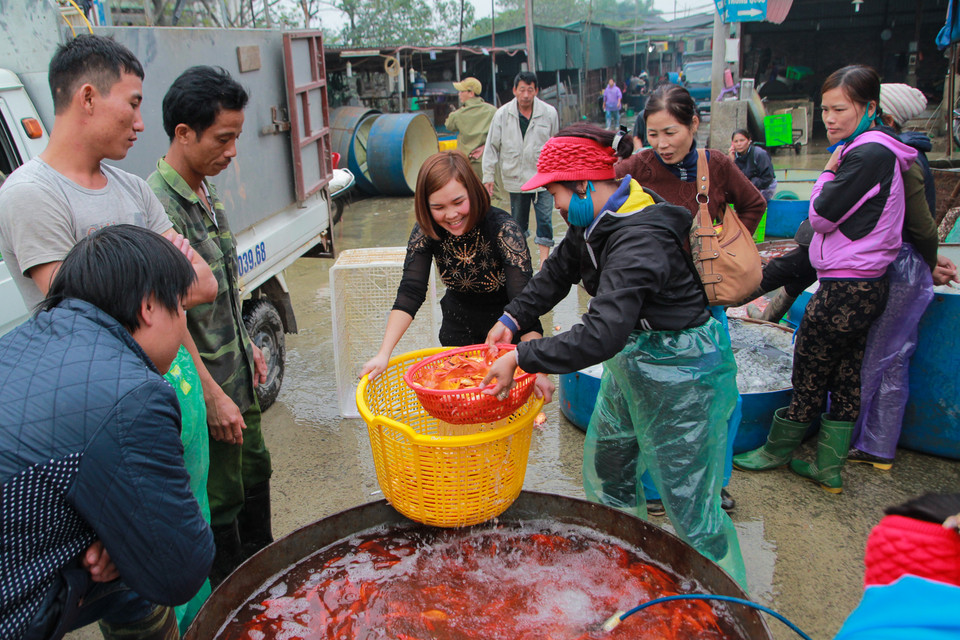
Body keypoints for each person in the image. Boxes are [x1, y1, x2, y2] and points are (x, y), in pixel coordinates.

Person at [0, 34, 218, 631]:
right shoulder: (31, 194)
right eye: (134, 103)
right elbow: (94, 313)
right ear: (89, 97)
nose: (142, 123)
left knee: (182, 520)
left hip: (162, 377)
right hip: (103, 408)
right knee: (139, 575)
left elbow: (200, 283)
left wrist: (207, 384)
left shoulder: (131, 188)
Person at [481, 124, 747, 589]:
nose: (554, 205)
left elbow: (601, 333)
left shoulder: (640, 236)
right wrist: (511, 316)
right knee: (610, 466)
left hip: (680, 371)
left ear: (584, 185)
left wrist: (522, 355)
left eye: (556, 194)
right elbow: (556, 272)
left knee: (690, 502)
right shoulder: (592, 222)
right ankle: (623, 565)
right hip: (634, 358)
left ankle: (727, 598)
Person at [0, 224, 214, 640]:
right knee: (144, 573)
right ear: (149, 306)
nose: (182, 320)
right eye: (180, 307)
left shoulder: (19, 342)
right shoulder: (133, 394)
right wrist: (127, 543)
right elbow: (181, 568)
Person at [733, 65, 917, 493]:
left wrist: (828, 174)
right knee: (846, 373)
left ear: (870, 108)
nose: (830, 119)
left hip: (845, 286)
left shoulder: (867, 154)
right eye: (825, 110)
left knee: (809, 368)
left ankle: (776, 451)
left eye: (841, 109)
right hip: (868, 283)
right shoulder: (880, 149)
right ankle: (828, 468)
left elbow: (820, 216)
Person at [148, 65, 273, 587]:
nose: (233, 151)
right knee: (220, 506)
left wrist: (247, 343)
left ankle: (268, 591)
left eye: (236, 137)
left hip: (238, 378)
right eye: (223, 138)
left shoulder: (206, 193)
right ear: (184, 133)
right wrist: (210, 395)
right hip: (208, 394)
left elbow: (222, 290)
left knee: (256, 478)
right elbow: (169, 317)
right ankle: (233, 602)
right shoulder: (158, 208)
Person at [615, 84, 766, 515]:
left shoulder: (715, 165)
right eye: (653, 134)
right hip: (653, 308)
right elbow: (599, 192)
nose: (662, 144)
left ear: (693, 124)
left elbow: (753, 203)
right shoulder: (636, 167)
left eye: (671, 132)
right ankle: (657, 490)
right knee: (656, 399)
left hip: (706, 303)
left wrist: (725, 244)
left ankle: (713, 484)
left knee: (719, 398)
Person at [362, 151, 550, 400]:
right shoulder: (426, 231)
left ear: (473, 192)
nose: (451, 215)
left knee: (505, 404)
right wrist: (383, 354)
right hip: (457, 328)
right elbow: (410, 292)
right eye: (438, 207)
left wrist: (538, 369)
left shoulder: (504, 230)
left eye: (458, 202)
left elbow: (525, 305)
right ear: (426, 207)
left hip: (506, 333)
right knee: (461, 399)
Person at [482, 71, 559, 266]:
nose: (526, 95)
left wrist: (559, 175)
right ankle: (522, 260)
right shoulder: (502, 114)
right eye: (522, 90)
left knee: (545, 218)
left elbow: (556, 145)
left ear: (536, 91)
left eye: (530, 90)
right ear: (515, 90)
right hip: (516, 177)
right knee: (517, 223)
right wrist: (488, 176)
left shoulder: (549, 113)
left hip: (543, 176)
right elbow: (492, 146)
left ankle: (544, 261)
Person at [729, 129, 777, 201]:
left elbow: (767, 178)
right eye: (736, 141)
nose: (739, 144)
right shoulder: (733, 156)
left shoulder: (759, 154)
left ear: (749, 141)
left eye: (742, 140)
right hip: (746, 187)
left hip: (764, 187)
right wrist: (731, 162)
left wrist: (749, 185)